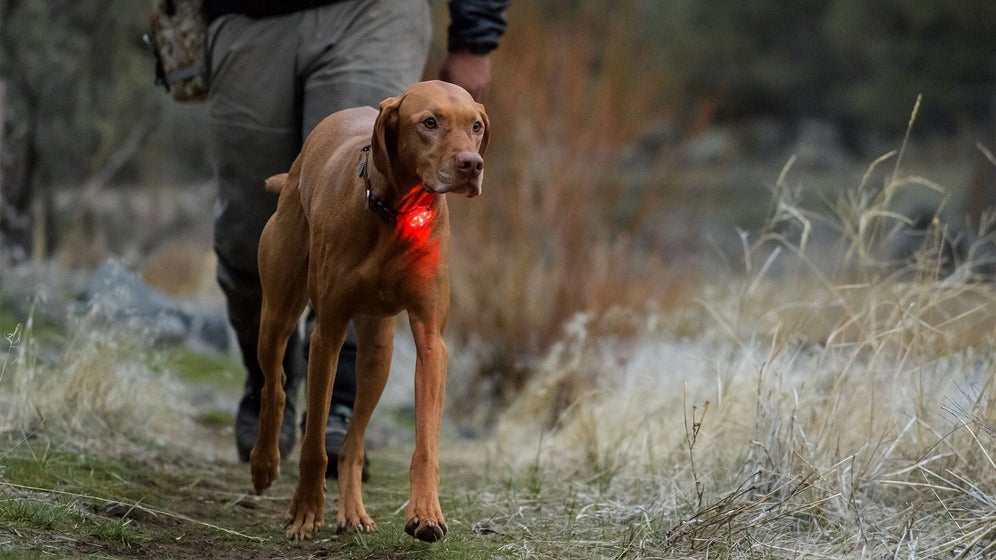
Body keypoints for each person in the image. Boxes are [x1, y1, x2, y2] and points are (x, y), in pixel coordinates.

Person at [203, 0, 509, 476]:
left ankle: (339, 417)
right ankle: (268, 380)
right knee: (248, 229)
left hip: (375, 13)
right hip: (249, 17)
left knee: (381, 200)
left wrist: (476, 36)